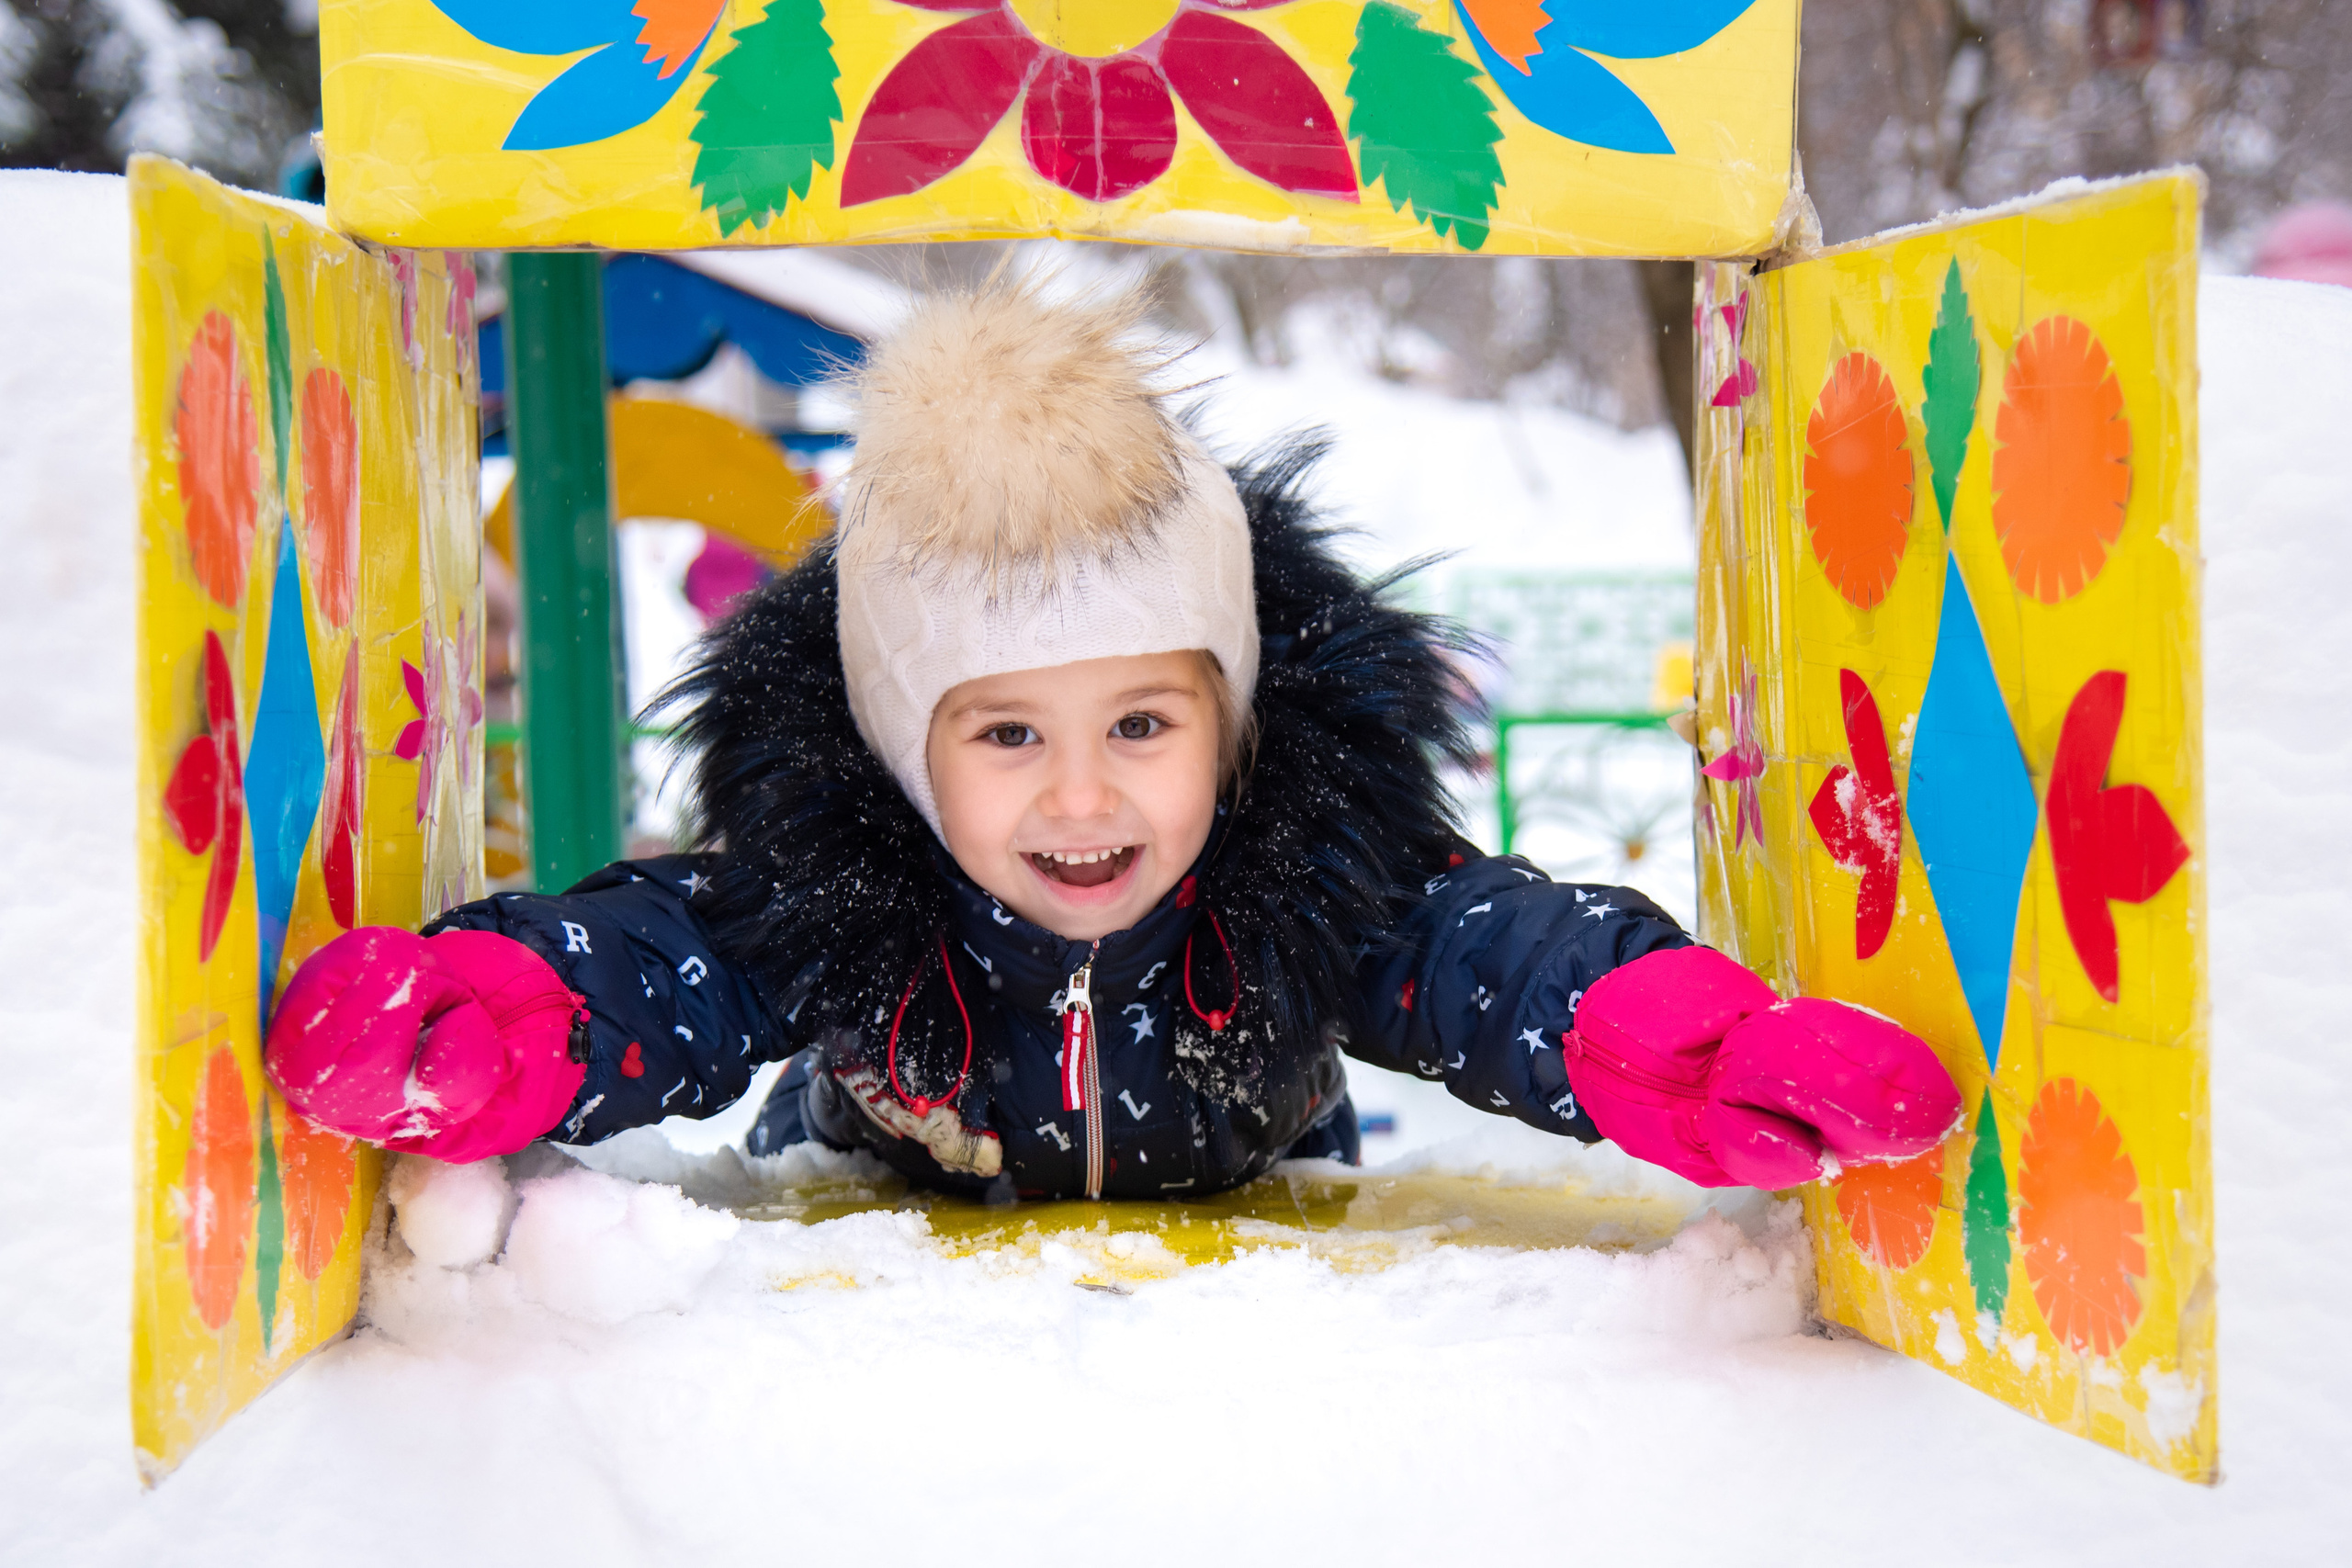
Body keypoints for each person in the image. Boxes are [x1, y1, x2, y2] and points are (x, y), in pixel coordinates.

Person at [265, 284, 1960, 1201]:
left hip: (1220, 1389)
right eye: (1006, 731)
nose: (1083, 794)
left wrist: (1683, 1054)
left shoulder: (1303, 884)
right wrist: (493, 1020)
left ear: (1229, 721)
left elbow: (1500, 961)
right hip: (883, 1370)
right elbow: (651, 970)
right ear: (906, 752)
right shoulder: (841, 904)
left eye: (1143, 721)